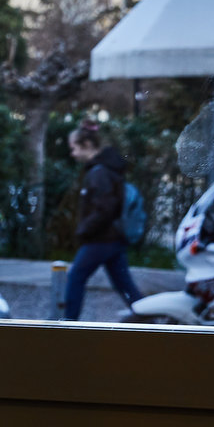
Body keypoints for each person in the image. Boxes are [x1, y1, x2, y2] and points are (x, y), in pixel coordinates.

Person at [63, 122, 143, 321]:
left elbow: (105, 209)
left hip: (101, 239)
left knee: (76, 277)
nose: (72, 154)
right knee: (124, 284)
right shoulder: (108, 169)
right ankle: (148, 318)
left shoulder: (99, 173)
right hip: (114, 238)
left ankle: (68, 325)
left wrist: (84, 230)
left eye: (74, 148)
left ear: (87, 144)